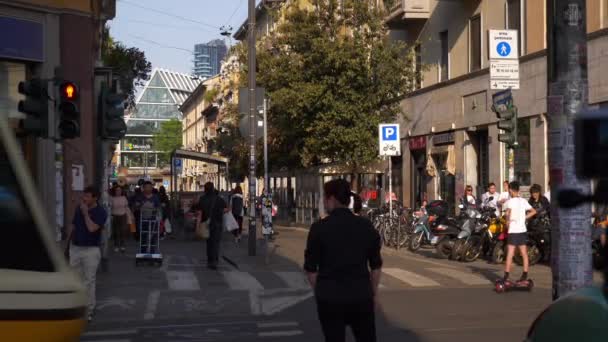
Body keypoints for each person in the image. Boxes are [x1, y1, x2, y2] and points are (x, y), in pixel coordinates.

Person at [304, 179, 382, 342]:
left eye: (325, 198)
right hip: (361, 296)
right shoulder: (366, 226)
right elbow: (375, 266)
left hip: (330, 298)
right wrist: (373, 294)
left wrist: (321, 291)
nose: (324, 202)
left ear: (331, 199)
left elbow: (311, 269)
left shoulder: (319, 228)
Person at [68, 186, 108, 322]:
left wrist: (86, 214)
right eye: (83, 196)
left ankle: (88, 310)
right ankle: (76, 307)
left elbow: (92, 229)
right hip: (75, 248)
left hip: (90, 250)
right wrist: (68, 245)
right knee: (75, 280)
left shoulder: (101, 212)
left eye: (87, 196)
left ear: (95, 198)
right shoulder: (78, 209)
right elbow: (73, 227)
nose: (84, 199)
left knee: (89, 281)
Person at [503, 181, 537, 282]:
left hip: (513, 231)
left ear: (510, 190)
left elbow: (508, 213)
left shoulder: (510, 201)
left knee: (510, 253)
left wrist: (507, 221)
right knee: (524, 253)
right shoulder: (523, 201)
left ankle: (506, 276)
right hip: (522, 230)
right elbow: (534, 211)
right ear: (518, 190)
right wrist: (524, 218)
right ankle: (525, 274)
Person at [197, 182, 227, 270]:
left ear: (205, 189)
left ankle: (210, 260)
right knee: (216, 243)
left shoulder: (202, 199)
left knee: (209, 243)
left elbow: (199, 211)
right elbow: (226, 209)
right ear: (213, 188)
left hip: (206, 223)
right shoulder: (219, 199)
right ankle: (214, 261)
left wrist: (198, 224)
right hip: (217, 223)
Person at [130, 181, 160, 251]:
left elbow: (159, 207)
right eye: (146, 187)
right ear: (143, 188)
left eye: (150, 187)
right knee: (143, 235)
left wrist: (156, 211)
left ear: (152, 188)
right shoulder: (140, 197)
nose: (148, 189)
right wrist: (138, 206)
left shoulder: (155, 197)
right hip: (142, 219)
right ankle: (143, 251)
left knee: (153, 235)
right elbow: (135, 207)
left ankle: (152, 251)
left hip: (153, 219)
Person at [110, 185, 129, 253]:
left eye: (120, 190)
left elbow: (126, 206)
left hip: (123, 215)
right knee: (116, 232)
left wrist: (128, 216)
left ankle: (122, 245)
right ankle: (116, 245)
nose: (118, 191)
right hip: (115, 215)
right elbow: (110, 207)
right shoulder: (112, 198)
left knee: (123, 231)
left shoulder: (124, 198)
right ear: (114, 191)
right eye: (117, 190)